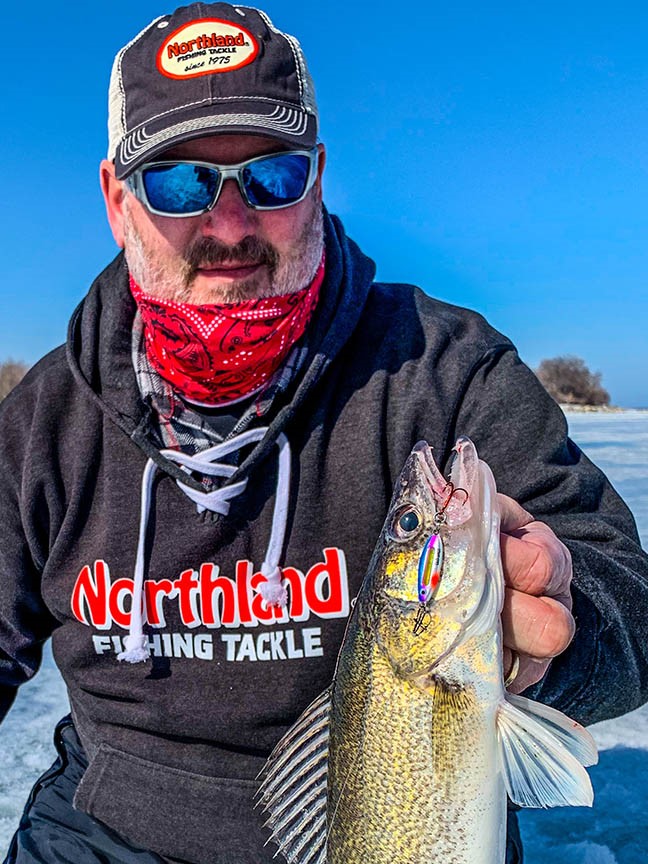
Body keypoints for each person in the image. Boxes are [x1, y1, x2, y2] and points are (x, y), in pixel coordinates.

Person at [1, 4, 647, 863]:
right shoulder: (45, 422)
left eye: (271, 176)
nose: (229, 224)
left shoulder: (447, 370)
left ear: (318, 178)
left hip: (400, 814)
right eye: (180, 182)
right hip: (104, 832)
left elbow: (627, 602)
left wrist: (564, 618)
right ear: (118, 201)